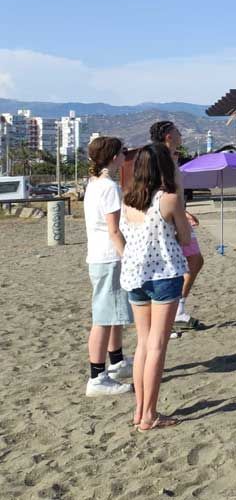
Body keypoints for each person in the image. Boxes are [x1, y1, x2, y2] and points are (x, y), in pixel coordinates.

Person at [120, 143, 191, 430]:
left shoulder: (128, 200)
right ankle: (149, 414)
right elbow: (185, 239)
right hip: (164, 274)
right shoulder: (169, 200)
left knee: (142, 344)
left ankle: (140, 410)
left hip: (135, 276)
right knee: (157, 345)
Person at [83, 137, 133, 397]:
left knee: (113, 314)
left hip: (100, 256)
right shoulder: (109, 187)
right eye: (123, 152)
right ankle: (97, 376)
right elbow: (114, 230)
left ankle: (116, 362)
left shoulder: (94, 184)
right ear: (114, 156)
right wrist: (129, 257)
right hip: (108, 257)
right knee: (102, 318)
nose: (125, 155)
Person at [150, 121, 202, 327]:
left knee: (193, 261)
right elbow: (161, 189)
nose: (181, 135)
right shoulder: (158, 158)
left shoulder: (169, 158)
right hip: (168, 218)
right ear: (168, 136)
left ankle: (176, 308)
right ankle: (175, 310)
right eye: (178, 132)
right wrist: (177, 212)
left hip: (176, 213)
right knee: (187, 262)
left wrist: (184, 211)